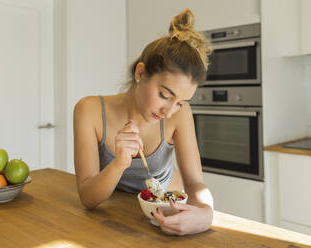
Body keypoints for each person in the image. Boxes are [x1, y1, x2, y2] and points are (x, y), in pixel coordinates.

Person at [73, 8, 214, 235]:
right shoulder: (89, 111)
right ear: (140, 73)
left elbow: (196, 183)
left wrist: (207, 213)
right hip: (116, 214)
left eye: (180, 102)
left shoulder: (180, 113)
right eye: (165, 96)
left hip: (167, 212)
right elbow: (88, 198)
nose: (169, 111)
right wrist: (119, 162)